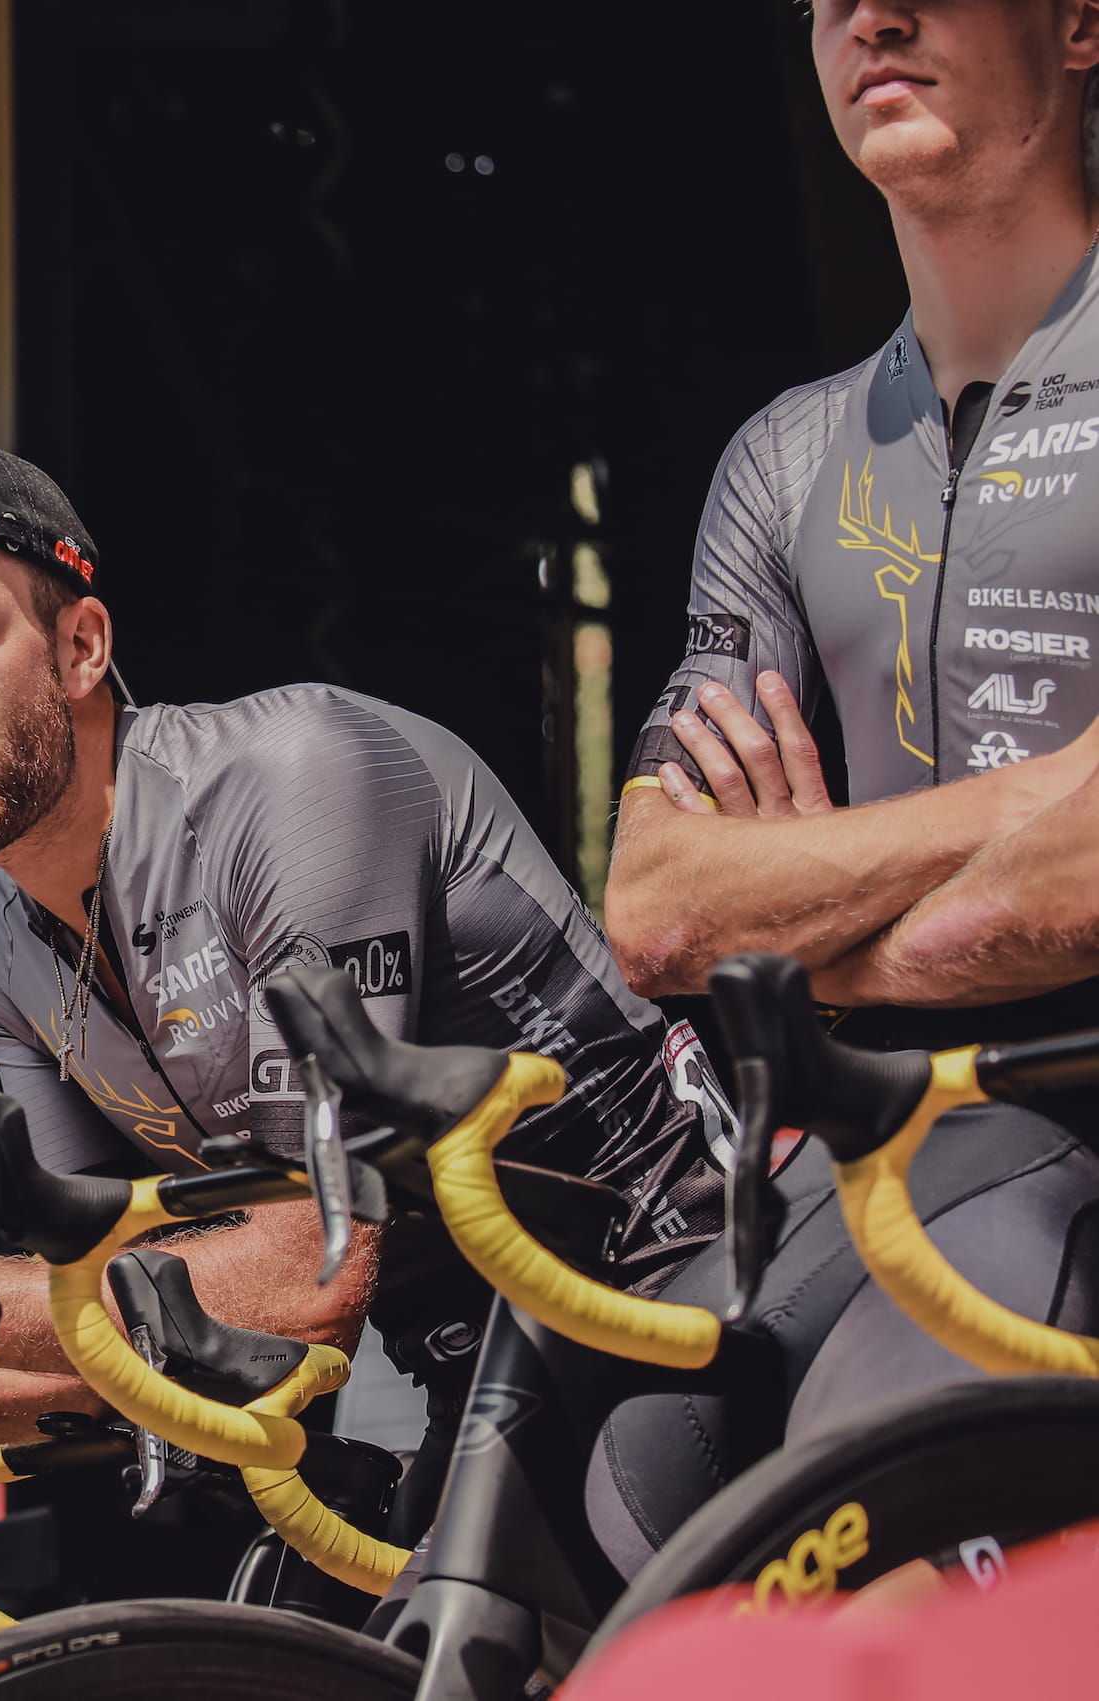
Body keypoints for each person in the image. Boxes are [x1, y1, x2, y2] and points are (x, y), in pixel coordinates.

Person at [0, 434, 736, 1552]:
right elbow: (113, 1335)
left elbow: (310, 1275)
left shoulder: (293, 777)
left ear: (82, 646)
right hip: (487, 1378)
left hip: (692, 1292)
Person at [592, 0, 1099, 1576]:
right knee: (539, 1544)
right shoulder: (787, 457)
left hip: (1053, 1148)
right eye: (821, 0)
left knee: (868, 1516)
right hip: (851, 1148)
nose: (865, 18)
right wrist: (1039, 803)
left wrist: (802, 916)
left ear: (1075, 23)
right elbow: (660, 915)